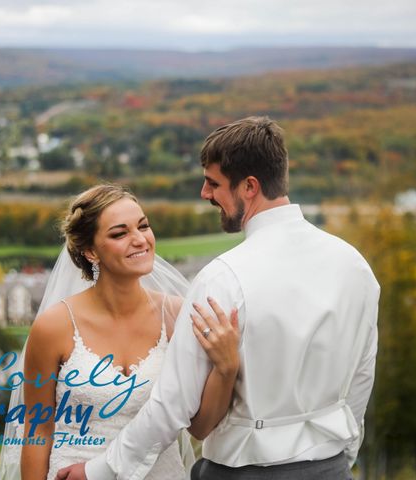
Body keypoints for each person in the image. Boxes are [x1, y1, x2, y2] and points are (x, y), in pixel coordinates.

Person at [58, 116, 380, 480]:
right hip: (332, 469)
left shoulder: (224, 278)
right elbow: (361, 378)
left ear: (249, 187)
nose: (205, 194)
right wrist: (343, 456)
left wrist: (99, 470)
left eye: (214, 184)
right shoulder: (355, 266)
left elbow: (173, 404)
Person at [0, 184, 241, 480]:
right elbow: (37, 433)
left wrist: (226, 367)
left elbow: (200, 427)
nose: (140, 240)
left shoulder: (178, 315)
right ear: (90, 251)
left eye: (143, 226)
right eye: (119, 233)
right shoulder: (53, 326)